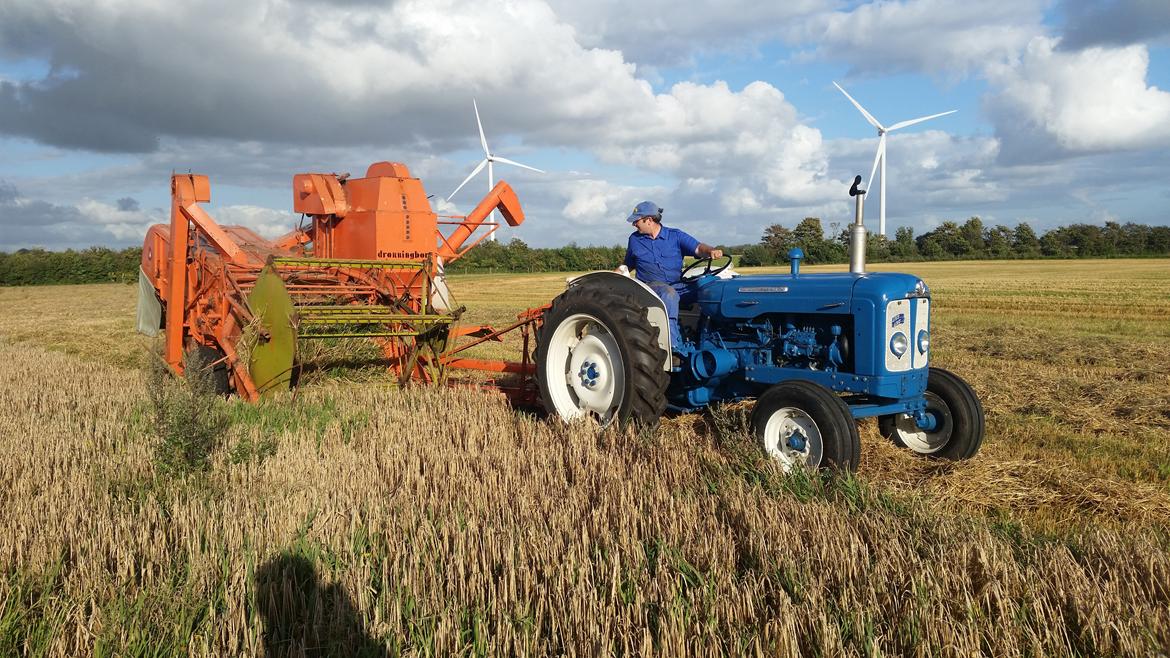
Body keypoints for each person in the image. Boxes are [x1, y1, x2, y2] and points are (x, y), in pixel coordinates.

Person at [619, 201, 723, 352]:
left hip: (677, 284)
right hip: (650, 288)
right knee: (669, 294)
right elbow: (627, 265)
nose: (634, 224)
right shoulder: (634, 240)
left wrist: (711, 251)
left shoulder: (675, 236)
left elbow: (699, 248)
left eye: (637, 220)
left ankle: (710, 337)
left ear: (649, 220)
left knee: (710, 289)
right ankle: (673, 347)